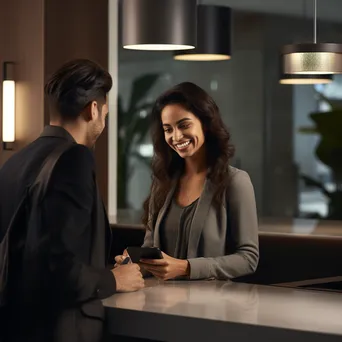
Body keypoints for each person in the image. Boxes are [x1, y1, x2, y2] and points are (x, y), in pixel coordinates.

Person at [0, 59, 144, 342]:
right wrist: (114, 279)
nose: (103, 120)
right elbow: (59, 268)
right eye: (105, 113)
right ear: (93, 110)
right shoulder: (73, 159)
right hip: (55, 330)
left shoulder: (13, 163)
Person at [116, 82, 259, 281]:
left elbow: (248, 258)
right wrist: (133, 263)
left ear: (206, 124)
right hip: (160, 302)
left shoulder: (236, 182)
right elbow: (150, 251)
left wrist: (186, 268)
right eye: (168, 129)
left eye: (184, 125)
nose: (176, 136)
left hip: (212, 307)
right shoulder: (162, 183)